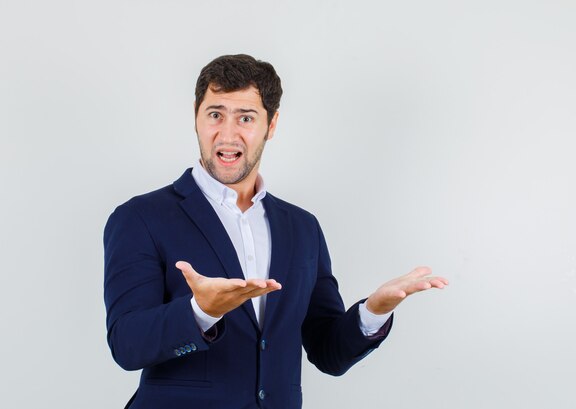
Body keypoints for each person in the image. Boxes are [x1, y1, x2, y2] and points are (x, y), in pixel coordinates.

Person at [103, 54, 448, 409]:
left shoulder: (302, 228)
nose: (227, 133)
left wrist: (373, 311)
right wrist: (200, 312)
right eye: (215, 114)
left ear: (272, 124)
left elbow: (327, 351)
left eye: (246, 118)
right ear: (196, 116)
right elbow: (126, 345)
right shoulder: (139, 218)